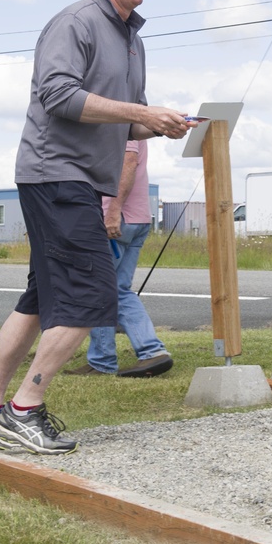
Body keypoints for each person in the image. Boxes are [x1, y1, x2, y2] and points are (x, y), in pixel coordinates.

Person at [0, 0, 196, 456]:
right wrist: (141, 112)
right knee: (91, 298)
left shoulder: (133, 38)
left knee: (41, 298)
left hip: (77, 179)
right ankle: (25, 410)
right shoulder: (76, 22)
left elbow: (118, 120)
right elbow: (60, 95)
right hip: (57, 173)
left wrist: (159, 123)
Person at [66, 139, 174, 378]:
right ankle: (151, 351)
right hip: (137, 217)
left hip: (116, 218)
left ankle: (104, 360)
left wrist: (112, 211)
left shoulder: (121, 120)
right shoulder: (132, 120)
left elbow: (128, 161)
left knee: (99, 289)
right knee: (117, 289)